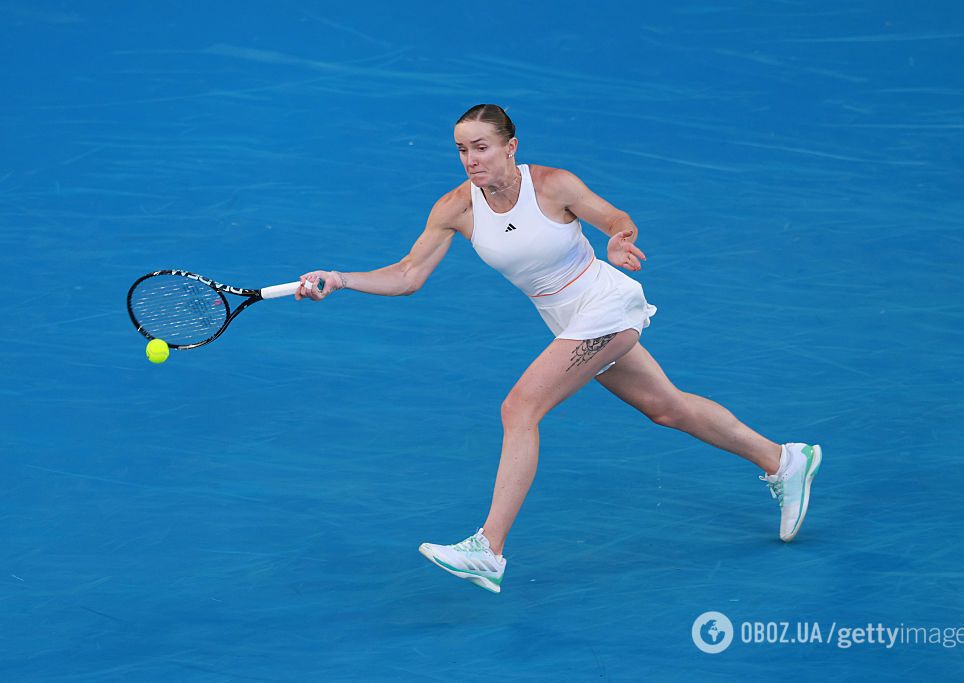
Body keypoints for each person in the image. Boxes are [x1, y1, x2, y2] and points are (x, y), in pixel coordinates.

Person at [296, 104, 822, 594]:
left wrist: (619, 239)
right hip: (566, 321)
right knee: (667, 408)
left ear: (510, 146)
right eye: (461, 149)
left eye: (481, 147)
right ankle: (782, 461)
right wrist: (340, 279)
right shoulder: (455, 207)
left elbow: (615, 217)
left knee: (520, 408)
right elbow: (409, 275)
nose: (470, 159)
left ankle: (489, 549)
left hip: (604, 302)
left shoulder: (552, 185)